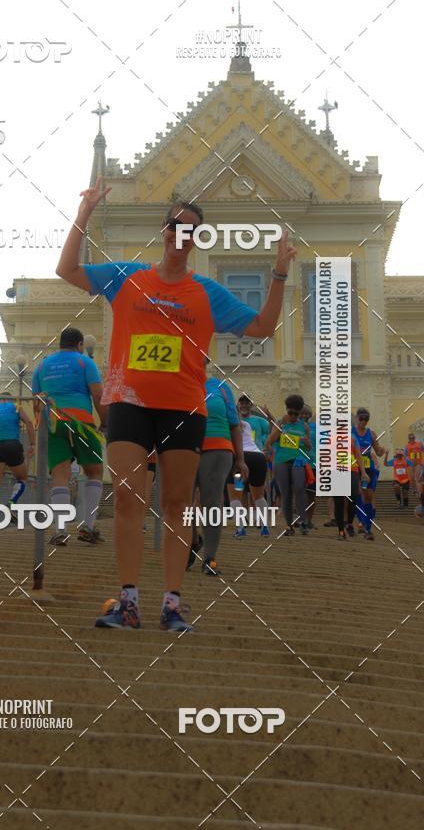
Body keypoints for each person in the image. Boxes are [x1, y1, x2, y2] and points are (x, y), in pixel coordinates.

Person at [55, 177, 296, 631]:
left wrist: (280, 272)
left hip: (184, 409)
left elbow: (263, 326)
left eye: (190, 228)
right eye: (174, 224)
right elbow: (67, 269)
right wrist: (83, 215)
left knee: (177, 505)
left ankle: (171, 604)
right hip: (128, 402)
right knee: (128, 498)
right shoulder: (127, 277)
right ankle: (128, 603)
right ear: (164, 231)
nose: (179, 233)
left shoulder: (206, 292)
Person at [32, 327, 107, 545]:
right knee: (94, 471)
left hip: (52, 424)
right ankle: (87, 527)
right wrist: (106, 421)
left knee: (60, 475)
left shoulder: (43, 365)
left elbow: (36, 403)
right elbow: (98, 394)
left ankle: (60, 531)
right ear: (80, 345)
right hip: (81, 422)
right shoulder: (85, 362)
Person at [196, 370, 246, 573]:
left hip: (218, 447)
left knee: (211, 501)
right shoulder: (176, 382)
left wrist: (241, 459)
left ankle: (210, 557)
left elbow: (234, 425)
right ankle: (192, 540)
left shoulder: (220, 387)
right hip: (183, 447)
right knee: (178, 501)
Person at [0, 392, 35, 528]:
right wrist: (32, 443)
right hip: (13, 445)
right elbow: (28, 422)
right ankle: (11, 503)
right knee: (22, 478)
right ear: (11, 399)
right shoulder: (16, 406)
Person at [264, 395, 311, 536]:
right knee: (286, 493)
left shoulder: (304, 426)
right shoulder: (280, 423)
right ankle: (290, 525)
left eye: (296, 414)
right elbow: (269, 441)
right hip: (281, 461)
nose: (292, 416)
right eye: (290, 413)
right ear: (286, 410)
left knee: (299, 487)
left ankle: (303, 521)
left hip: (298, 460)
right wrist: (282, 427)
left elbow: (309, 447)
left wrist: (307, 443)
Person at [228, 418, 270, 539]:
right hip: (257, 457)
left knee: (236, 497)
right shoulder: (245, 424)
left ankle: (241, 529)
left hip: (240, 457)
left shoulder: (224, 423)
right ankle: (264, 527)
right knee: (259, 496)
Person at [351, 407, 386, 542]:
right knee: (358, 493)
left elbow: (377, 451)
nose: (363, 421)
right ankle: (362, 523)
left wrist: (382, 450)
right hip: (354, 467)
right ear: (356, 419)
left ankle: (368, 527)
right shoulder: (350, 432)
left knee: (368, 495)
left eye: (366, 419)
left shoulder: (371, 434)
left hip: (368, 467)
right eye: (361, 419)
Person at [335, 438, 368, 539]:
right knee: (338, 501)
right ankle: (341, 530)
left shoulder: (352, 438)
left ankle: (349, 524)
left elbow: (358, 455)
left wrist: (363, 472)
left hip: (352, 470)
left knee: (352, 498)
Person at [297, 404, 318, 529]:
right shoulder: (293, 428)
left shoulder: (316, 428)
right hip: (298, 464)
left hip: (313, 464)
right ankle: (301, 518)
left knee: (311, 494)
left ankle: (309, 519)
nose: (304, 416)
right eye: (302, 413)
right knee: (300, 492)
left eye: (306, 414)